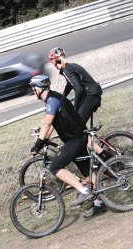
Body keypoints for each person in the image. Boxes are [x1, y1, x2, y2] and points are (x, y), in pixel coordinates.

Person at [29, 75, 106, 217]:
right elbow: (51, 124)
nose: (33, 92)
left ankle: (84, 191)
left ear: (39, 88)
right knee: (87, 172)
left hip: (75, 140)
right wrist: (45, 137)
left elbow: (46, 124)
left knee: (54, 167)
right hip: (79, 137)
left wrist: (38, 145)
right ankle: (100, 203)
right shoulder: (54, 98)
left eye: (33, 89)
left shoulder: (51, 101)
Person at [48, 47, 113, 163]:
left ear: (54, 61)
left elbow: (78, 89)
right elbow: (70, 84)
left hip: (91, 95)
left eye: (51, 61)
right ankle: (95, 152)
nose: (52, 63)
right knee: (80, 127)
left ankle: (105, 155)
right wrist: (62, 97)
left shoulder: (67, 69)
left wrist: (74, 108)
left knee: (77, 125)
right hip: (91, 95)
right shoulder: (68, 67)